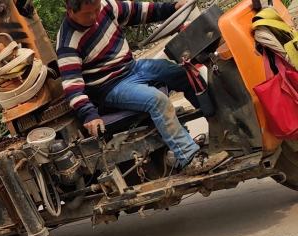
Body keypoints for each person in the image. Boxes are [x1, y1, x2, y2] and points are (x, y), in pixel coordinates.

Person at [56, 0, 228, 175]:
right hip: (110, 86)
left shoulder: (107, 6)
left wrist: (172, 7)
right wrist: (89, 114)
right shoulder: (67, 42)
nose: (94, 17)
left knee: (187, 75)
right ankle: (190, 159)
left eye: (96, 10)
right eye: (87, 14)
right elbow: (72, 86)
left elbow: (141, 11)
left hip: (132, 67)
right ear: (70, 10)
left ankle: (224, 132)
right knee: (157, 100)